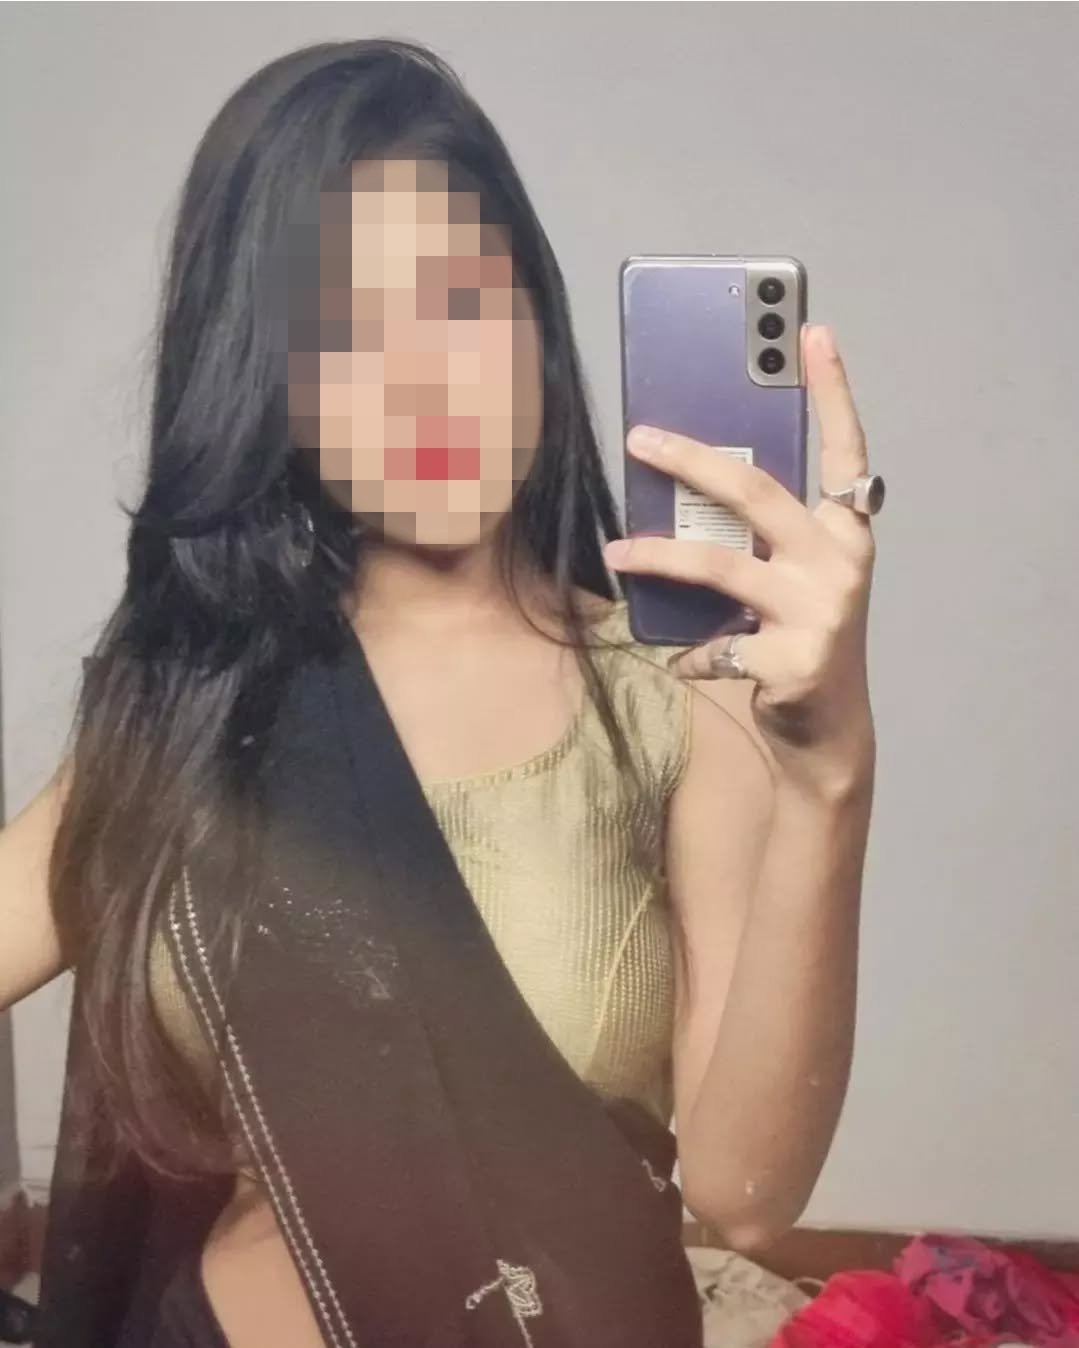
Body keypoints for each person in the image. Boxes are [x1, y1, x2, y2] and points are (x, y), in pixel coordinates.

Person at [0, 37, 881, 1348]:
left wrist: (830, 769)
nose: (422, 380)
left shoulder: (673, 692)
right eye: (344, 332)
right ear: (266, 381)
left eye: (460, 303)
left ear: (535, 323)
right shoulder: (195, 700)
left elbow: (749, 1199)